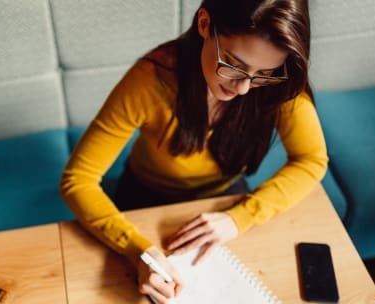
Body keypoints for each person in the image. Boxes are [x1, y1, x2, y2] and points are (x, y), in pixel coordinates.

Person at [60, 0, 327, 302]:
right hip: (146, 195)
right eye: (233, 64)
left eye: (264, 73)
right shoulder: (150, 79)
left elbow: (312, 160)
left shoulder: (280, 85)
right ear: (204, 24)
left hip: (225, 199)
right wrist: (138, 252)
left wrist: (239, 218)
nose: (242, 88)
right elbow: (77, 180)